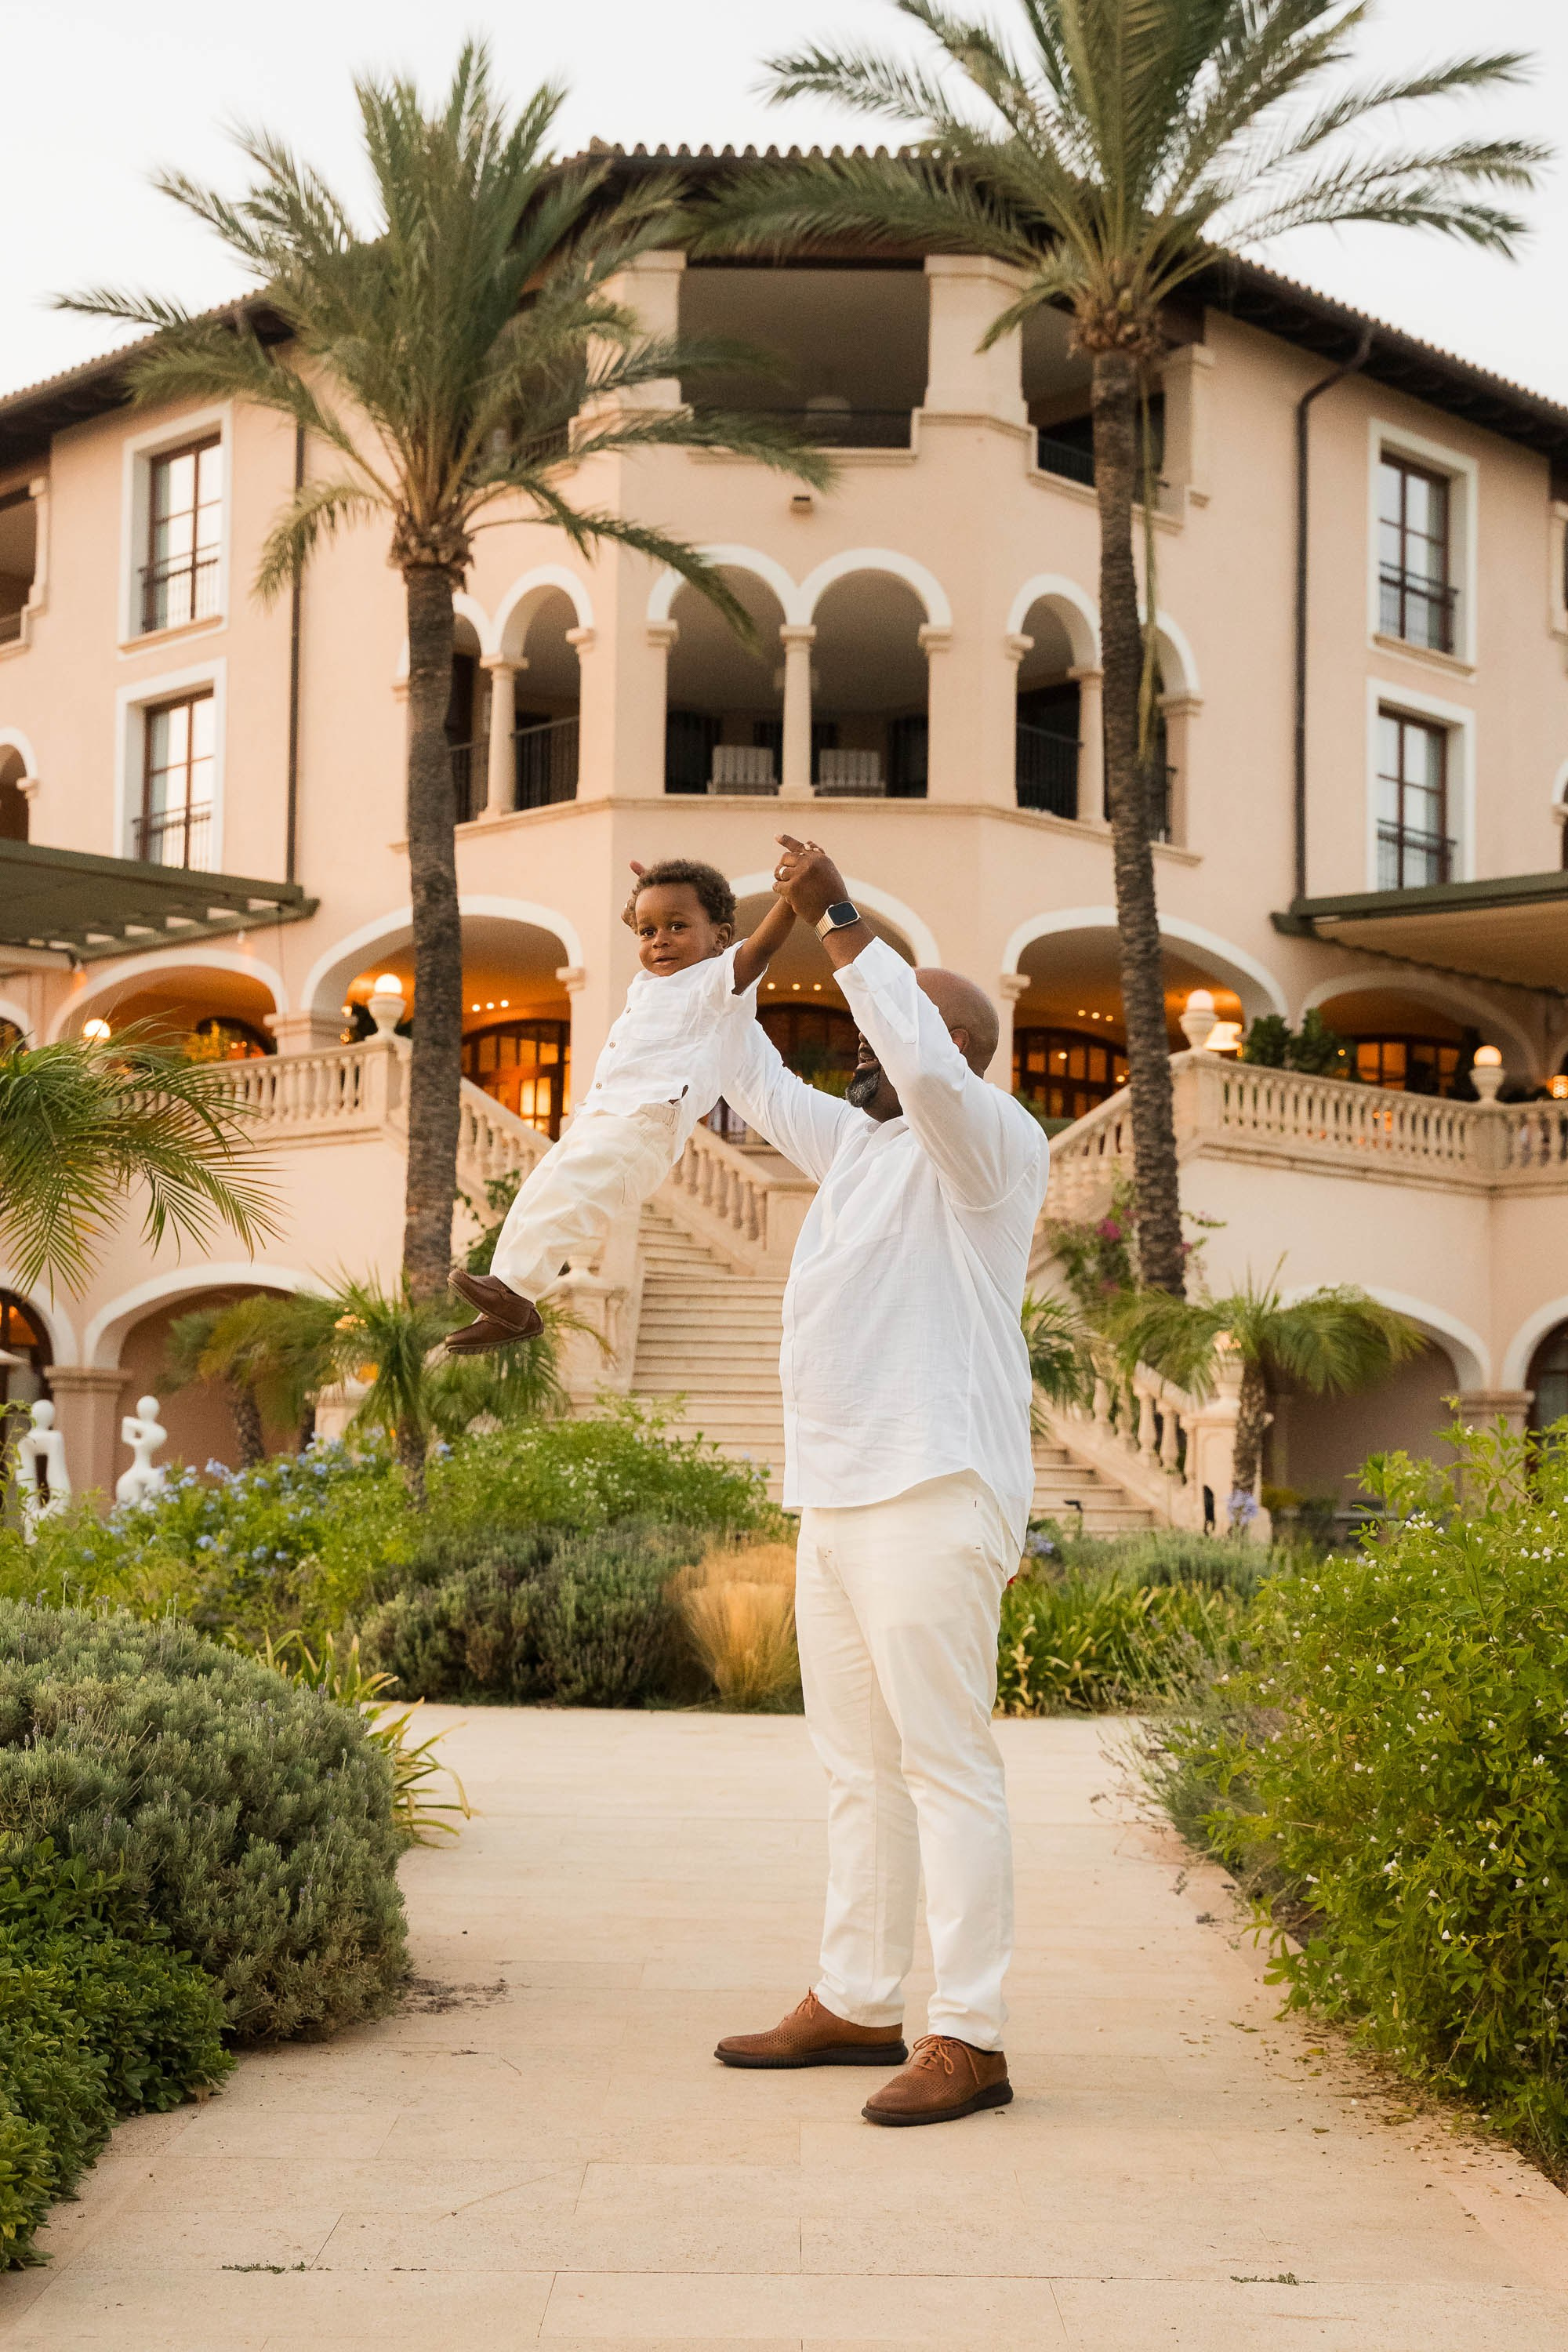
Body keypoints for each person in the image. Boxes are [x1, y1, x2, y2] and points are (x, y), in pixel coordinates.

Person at [712, 835, 1048, 2127]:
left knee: (944, 1764)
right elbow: (731, 1057)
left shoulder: (991, 1151)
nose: (860, 1050)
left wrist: (846, 915)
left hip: (936, 1486)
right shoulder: (857, 1153)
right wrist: (775, 924)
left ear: (954, 1048)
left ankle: (972, 2034)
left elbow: (908, 1045)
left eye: (896, 1027)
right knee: (854, 1763)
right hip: (837, 1499)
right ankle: (857, 2000)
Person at [449, 860, 795, 1352]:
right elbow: (642, 921)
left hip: (647, 1120)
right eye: (648, 931)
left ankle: (517, 1292)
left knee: (570, 1197)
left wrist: (792, 900)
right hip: (603, 1114)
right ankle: (508, 1298)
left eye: (677, 927)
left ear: (721, 937)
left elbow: (759, 950)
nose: (659, 940)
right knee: (539, 1192)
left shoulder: (719, 982)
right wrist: (646, 895)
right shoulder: (651, 980)